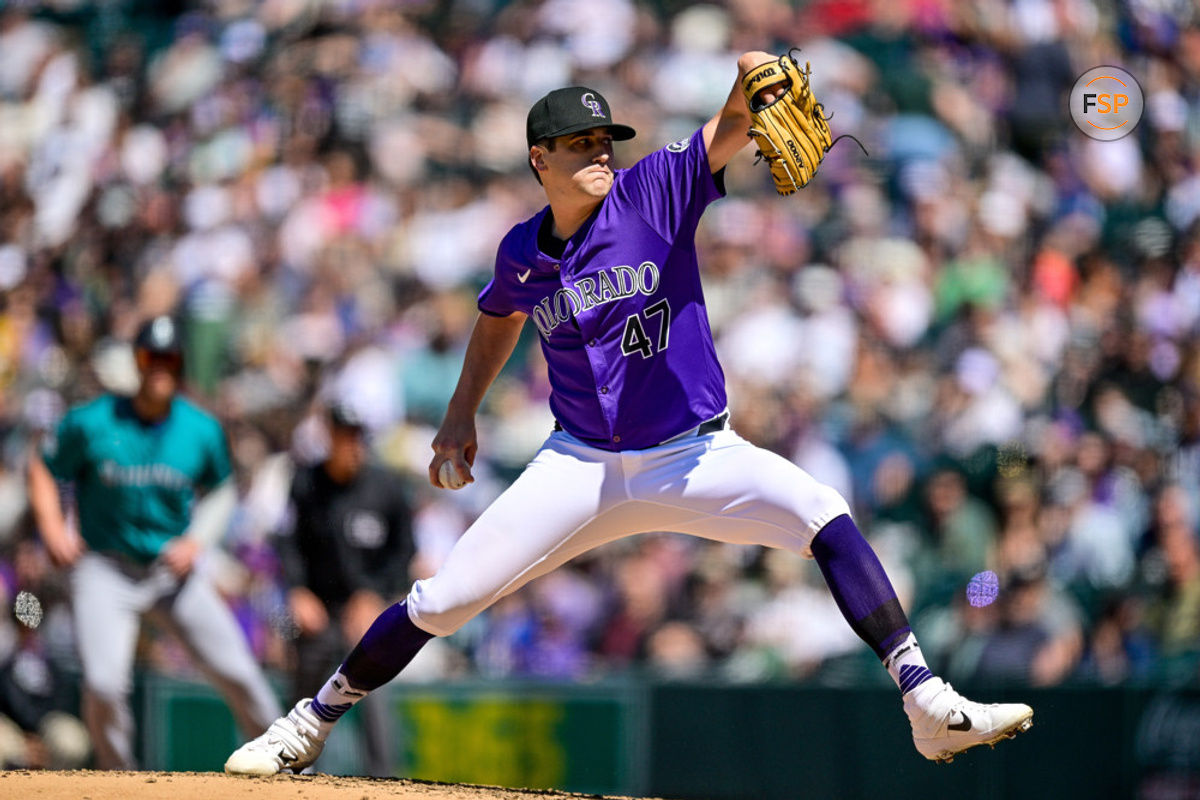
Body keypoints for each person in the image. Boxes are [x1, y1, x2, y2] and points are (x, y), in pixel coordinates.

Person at [225, 52, 1032, 775]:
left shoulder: (652, 191)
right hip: (579, 464)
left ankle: (925, 702)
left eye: (605, 138)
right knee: (441, 602)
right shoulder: (521, 250)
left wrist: (752, 75)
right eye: (581, 144)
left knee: (824, 512)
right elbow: (498, 317)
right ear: (540, 159)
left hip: (695, 455)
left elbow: (732, 119)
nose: (600, 152)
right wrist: (460, 414)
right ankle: (306, 724)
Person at [27, 315, 281, 769]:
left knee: (241, 673)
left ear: (181, 364)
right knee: (104, 685)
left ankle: (291, 767)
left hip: (170, 571)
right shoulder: (93, 421)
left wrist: (198, 540)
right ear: (137, 362)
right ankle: (120, 782)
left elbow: (221, 490)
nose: (160, 367)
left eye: (169, 358)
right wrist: (51, 526)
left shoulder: (199, 428)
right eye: (151, 357)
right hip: (106, 567)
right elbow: (44, 465)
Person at [274, 402, 415, 776]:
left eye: (357, 435)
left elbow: (404, 554)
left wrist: (378, 598)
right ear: (329, 435)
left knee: (377, 696)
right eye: (344, 434)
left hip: (368, 617)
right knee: (301, 686)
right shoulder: (305, 482)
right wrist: (297, 591)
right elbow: (287, 542)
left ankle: (382, 781)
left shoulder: (385, 487)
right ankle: (291, 773)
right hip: (316, 612)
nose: (352, 443)